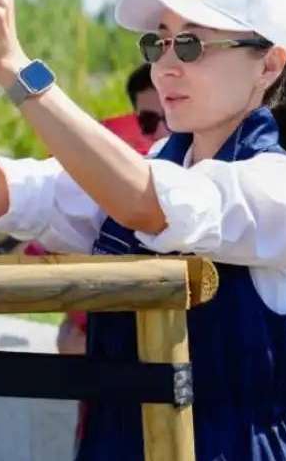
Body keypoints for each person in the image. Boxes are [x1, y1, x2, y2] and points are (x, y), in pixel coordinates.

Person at [0, 0, 286, 460]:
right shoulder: (142, 170)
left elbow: (152, 206)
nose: (165, 66)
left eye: (192, 44)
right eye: (158, 43)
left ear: (270, 65)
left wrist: (16, 68)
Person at [53, 62, 169, 355]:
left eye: (174, 116)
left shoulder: (222, 201)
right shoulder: (106, 196)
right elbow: (70, 333)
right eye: (149, 121)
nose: (163, 131)